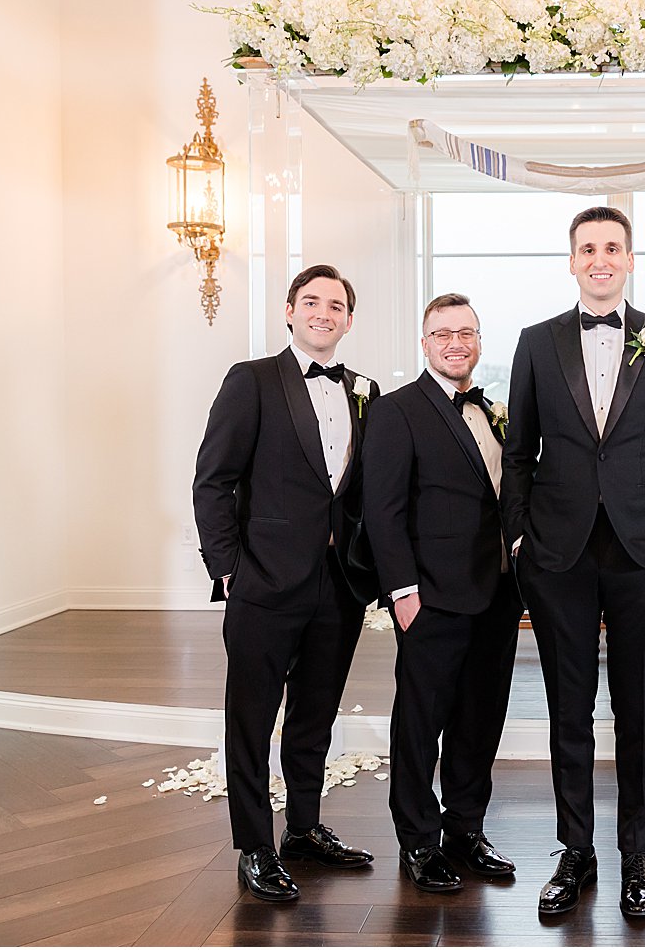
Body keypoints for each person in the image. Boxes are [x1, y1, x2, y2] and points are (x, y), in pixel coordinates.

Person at [501, 206, 645, 919]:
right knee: (568, 707)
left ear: (629, 258)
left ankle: (636, 852)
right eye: (587, 247)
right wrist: (520, 536)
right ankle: (576, 848)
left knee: (639, 707)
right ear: (571, 260)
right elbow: (517, 453)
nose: (600, 258)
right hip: (557, 552)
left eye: (611, 247)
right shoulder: (534, 343)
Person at [192, 264, 380, 901]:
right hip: (264, 582)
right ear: (290, 312)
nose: (324, 312)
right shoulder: (251, 381)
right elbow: (212, 480)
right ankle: (253, 846)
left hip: (339, 584)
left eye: (337, 304)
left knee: (314, 714)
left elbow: (364, 492)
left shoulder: (365, 390)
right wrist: (228, 569)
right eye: (312, 301)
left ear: (349, 319)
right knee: (250, 719)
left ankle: (304, 828)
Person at [361, 293, 522, 894]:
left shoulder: (492, 410)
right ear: (423, 343)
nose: (456, 343)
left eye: (467, 333)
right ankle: (418, 843)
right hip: (430, 598)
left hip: (498, 596)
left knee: (481, 721)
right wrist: (404, 593)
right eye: (443, 334)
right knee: (420, 723)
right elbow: (382, 509)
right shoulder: (397, 411)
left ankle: (466, 831)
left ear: (478, 341)